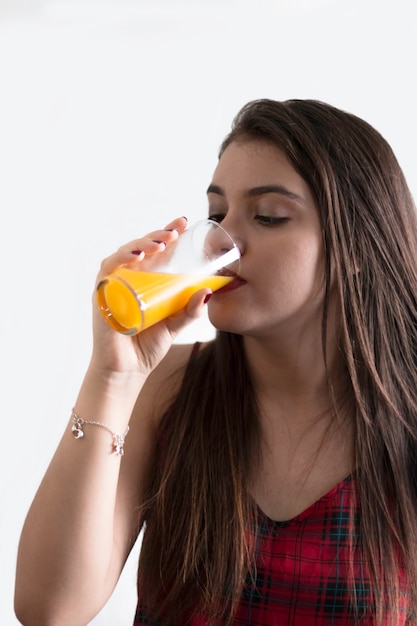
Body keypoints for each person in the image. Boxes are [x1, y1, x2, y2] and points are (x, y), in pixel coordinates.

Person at [14, 98, 417, 626]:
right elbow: (49, 609)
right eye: (216, 214)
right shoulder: (170, 390)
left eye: (269, 216)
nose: (223, 240)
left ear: (357, 246)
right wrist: (113, 377)